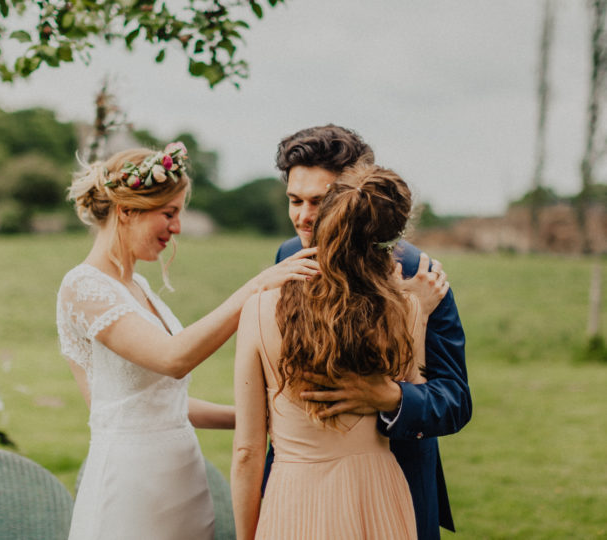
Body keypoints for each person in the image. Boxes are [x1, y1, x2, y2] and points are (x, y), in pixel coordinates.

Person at [56, 142, 319, 540]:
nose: (177, 228)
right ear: (127, 211)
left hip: (181, 478)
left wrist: (256, 416)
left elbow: (156, 402)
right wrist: (256, 287)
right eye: (169, 213)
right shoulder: (83, 286)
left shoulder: (137, 285)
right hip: (131, 488)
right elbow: (172, 358)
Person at [270, 125, 472, 539]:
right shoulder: (288, 256)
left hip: (394, 482)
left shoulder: (419, 273)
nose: (304, 217)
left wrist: (391, 396)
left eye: (319, 201)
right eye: (295, 200)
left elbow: (455, 401)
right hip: (299, 486)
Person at [232, 164, 448, 539]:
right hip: (379, 495)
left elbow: (247, 451)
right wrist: (418, 312)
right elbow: (413, 396)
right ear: (391, 240)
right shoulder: (408, 308)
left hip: (294, 495)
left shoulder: (259, 308)